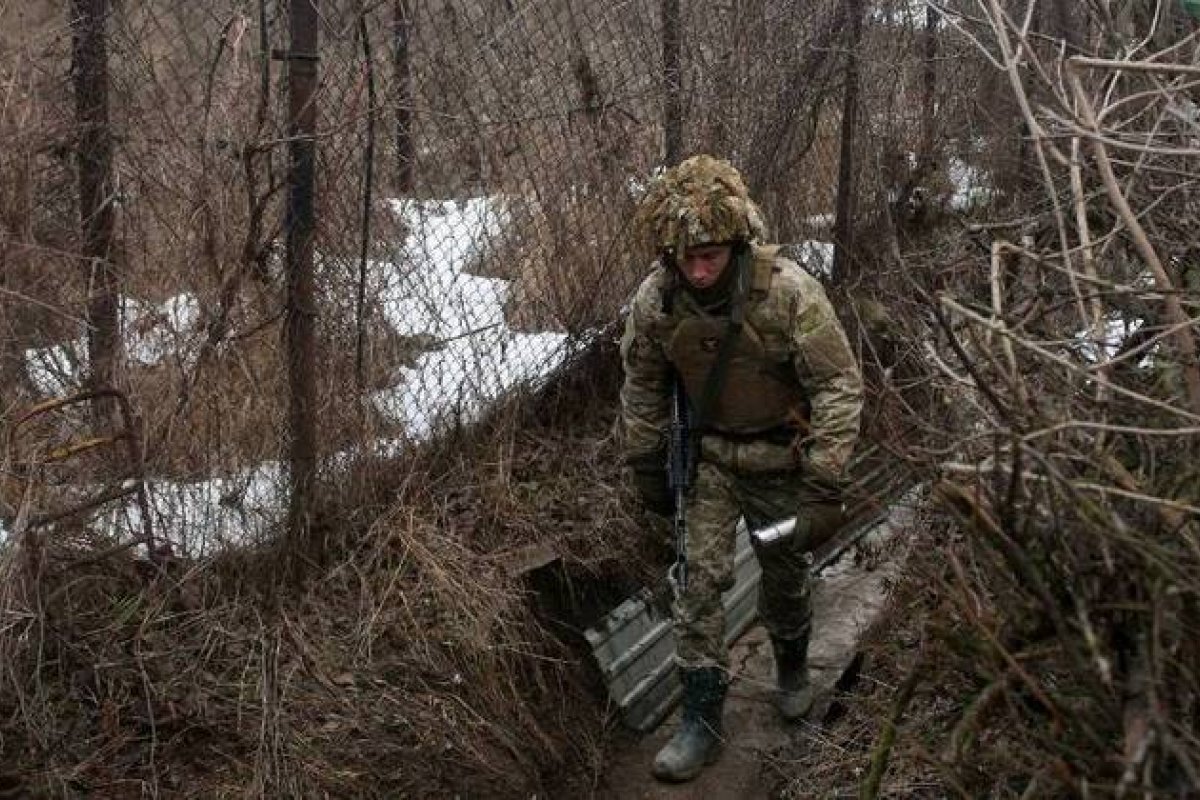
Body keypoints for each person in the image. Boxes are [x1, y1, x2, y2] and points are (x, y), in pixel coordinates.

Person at [619, 154, 863, 783]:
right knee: (696, 582)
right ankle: (700, 719)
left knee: (782, 572)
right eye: (687, 258)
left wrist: (824, 480)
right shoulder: (659, 299)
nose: (699, 270)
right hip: (710, 462)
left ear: (736, 244)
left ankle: (789, 664)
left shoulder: (786, 293)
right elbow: (643, 383)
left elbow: (838, 384)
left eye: (711, 257)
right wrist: (646, 460)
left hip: (782, 458)